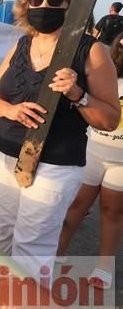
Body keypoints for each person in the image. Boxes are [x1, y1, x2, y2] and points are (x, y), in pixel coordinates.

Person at [0, 0, 120, 280]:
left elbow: (110, 118)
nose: (44, 7)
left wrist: (78, 93)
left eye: (56, 0)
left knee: (33, 246)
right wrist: (10, 109)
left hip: (55, 162)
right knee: (1, 232)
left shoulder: (91, 50)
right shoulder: (22, 44)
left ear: (73, 7)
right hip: (4, 153)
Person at [57, 32, 123, 290]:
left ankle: (104, 265)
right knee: (75, 206)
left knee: (112, 212)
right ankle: (57, 252)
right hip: (93, 152)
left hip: (121, 163)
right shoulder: (107, 75)